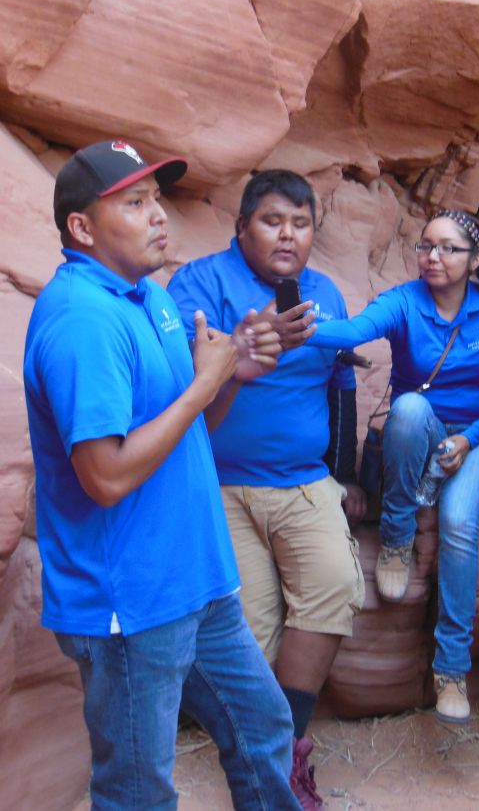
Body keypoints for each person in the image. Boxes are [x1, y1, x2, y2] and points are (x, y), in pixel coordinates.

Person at [23, 141, 301, 810]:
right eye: (134, 203)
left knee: (263, 726)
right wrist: (202, 385)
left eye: (157, 201)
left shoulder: (148, 297)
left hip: (194, 580)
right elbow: (107, 478)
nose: (158, 218)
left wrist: (229, 376)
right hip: (130, 605)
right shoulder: (83, 320)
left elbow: (184, 435)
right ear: (81, 228)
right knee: (137, 792)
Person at [168, 169, 365, 810]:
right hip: (219, 484)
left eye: (301, 223)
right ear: (241, 227)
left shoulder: (324, 292)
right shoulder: (199, 283)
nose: (288, 234)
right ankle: (270, 758)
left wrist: (349, 473)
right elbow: (175, 394)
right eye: (272, 220)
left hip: (304, 480)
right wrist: (236, 362)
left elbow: (342, 390)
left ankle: (286, 750)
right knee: (248, 630)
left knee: (334, 583)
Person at [291, 208, 479, 725]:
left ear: (475, 259)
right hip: (421, 430)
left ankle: (451, 671)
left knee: (460, 524)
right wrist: (297, 323)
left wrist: (469, 438)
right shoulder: (404, 302)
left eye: (447, 248)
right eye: (425, 246)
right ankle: (397, 538)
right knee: (409, 408)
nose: (432, 257)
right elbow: (352, 331)